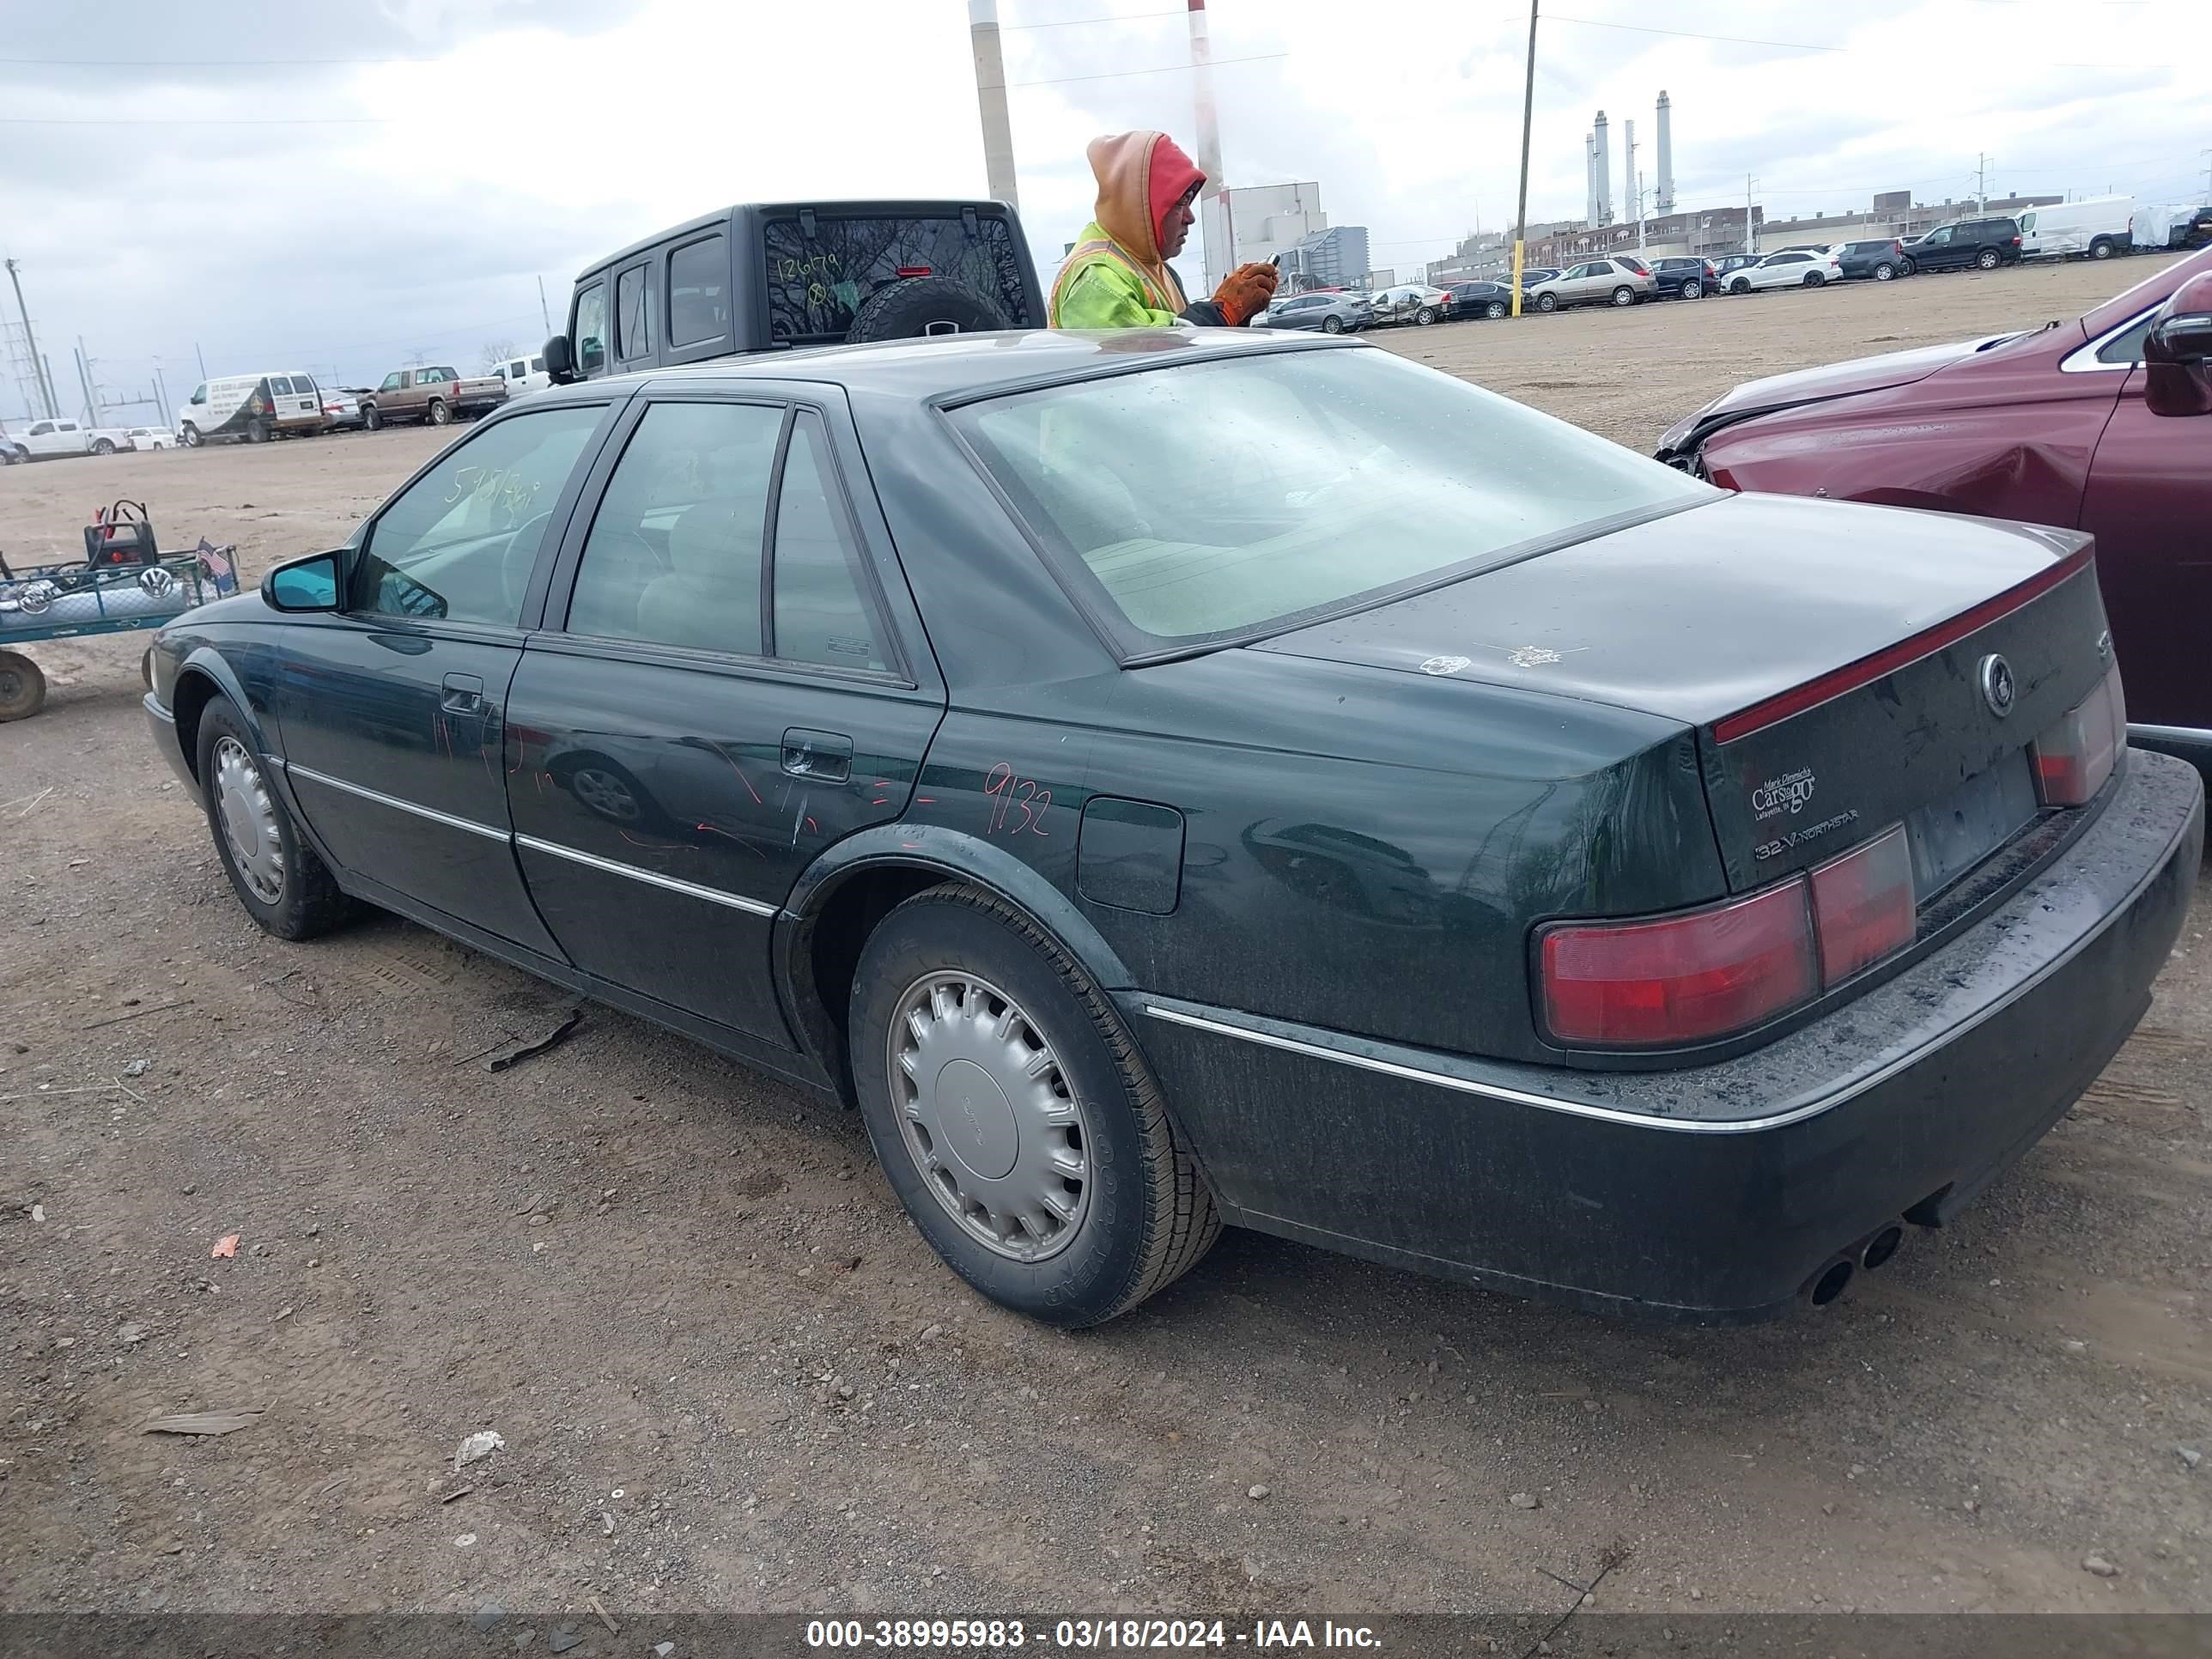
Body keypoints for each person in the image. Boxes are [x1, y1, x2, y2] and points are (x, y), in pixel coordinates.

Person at [1049, 131, 1279, 329]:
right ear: (1140, 205)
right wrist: (1224, 311)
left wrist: (1239, 313)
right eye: (1180, 203)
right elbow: (1146, 370)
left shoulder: (1154, 269)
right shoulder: (1096, 279)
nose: (1190, 218)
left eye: (1189, 202)